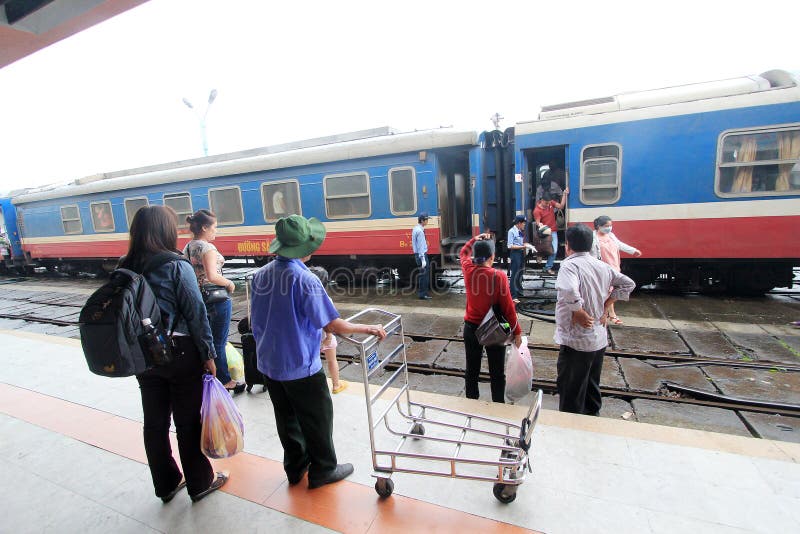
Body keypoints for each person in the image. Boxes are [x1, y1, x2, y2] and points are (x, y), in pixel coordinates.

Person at [250, 214, 387, 488]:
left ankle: (295, 467)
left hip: (268, 362)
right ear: (305, 248)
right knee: (317, 417)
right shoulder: (305, 279)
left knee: (286, 418)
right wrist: (367, 328)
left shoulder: (260, 275)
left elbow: (255, 319)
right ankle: (323, 469)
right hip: (300, 364)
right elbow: (332, 324)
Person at [119, 205, 229, 503]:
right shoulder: (175, 264)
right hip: (180, 353)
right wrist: (208, 353)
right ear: (165, 231)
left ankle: (166, 483)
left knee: (154, 422)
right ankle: (200, 481)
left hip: (143, 356)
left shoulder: (124, 266)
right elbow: (195, 312)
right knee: (187, 421)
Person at [555, 224, 635, 415]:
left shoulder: (569, 265)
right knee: (591, 384)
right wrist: (607, 305)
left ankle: (570, 425)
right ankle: (593, 419)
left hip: (576, 340)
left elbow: (568, 289)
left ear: (567, 245)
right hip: (598, 339)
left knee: (571, 389)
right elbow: (628, 283)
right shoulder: (602, 265)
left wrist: (578, 310)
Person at [183, 209, 244, 393]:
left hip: (200, 297)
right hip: (217, 299)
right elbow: (212, 275)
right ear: (204, 227)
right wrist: (229, 284)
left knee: (206, 339)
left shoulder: (189, 246)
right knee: (219, 340)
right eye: (214, 227)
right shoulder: (207, 248)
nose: (216, 231)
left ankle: (208, 375)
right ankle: (225, 380)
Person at [460, 232, 523, 403]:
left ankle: (471, 402)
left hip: (471, 328)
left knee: (471, 370)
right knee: (497, 372)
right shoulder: (498, 276)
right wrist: (517, 331)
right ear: (492, 257)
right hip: (493, 329)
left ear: (475, 256)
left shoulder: (468, 269)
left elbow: (463, 253)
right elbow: (508, 308)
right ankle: (497, 404)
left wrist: (474, 238)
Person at [591, 216, 642, 325]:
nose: (609, 228)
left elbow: (620, 245)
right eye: (606, 226)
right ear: (598, 226)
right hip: (602, 269)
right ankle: (610, 314)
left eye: (610, 226)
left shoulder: (611, 236)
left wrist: (633, 251)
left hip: (614, 267)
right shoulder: (592, 237)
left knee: (612, 290)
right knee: (608, 291)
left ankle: (608, 312)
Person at [308, 266, 347, 394]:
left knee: (313, 363)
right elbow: (328, 322)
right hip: (326, 337)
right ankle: (336, 385)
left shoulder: (306, 299)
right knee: (332, 361)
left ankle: (313, 387)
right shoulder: (326, 300)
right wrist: (329, 337)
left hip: (312, 339)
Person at [534, 189, 569, 275]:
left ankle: (547, 267)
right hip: (544, 232)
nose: (548, 205)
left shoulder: (551, 203)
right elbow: (537, 222)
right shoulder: (537, 210)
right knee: (545, 249)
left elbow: (561, 206)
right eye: (546, 203)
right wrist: (541, 225)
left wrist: (564, 194)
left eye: (549, 203)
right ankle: (540, 256)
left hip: (553, 231)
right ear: (542, 200)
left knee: (554, 250)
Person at [507, 215, 528, 303]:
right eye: (523, 223)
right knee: (515, 274)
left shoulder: (519, 231)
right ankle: (513, 295)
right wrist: (522, 246)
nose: (524, 225)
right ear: (519, 223)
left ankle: (519, 291)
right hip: (515, 254)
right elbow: (510, 245)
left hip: (520, 253)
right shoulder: (511, 231)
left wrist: (526, 246)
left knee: (520, 273)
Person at [412, 212, 432, 299]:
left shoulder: (416, 228)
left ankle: (424, 293)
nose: (427, 221)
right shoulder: (420, 231)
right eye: (426, 220)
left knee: (423, 275)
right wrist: (423, 259)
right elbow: (420, 246)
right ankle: (422, 294)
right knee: (424, 275)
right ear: (422, 220)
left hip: (418, 255)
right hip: (421, 255)